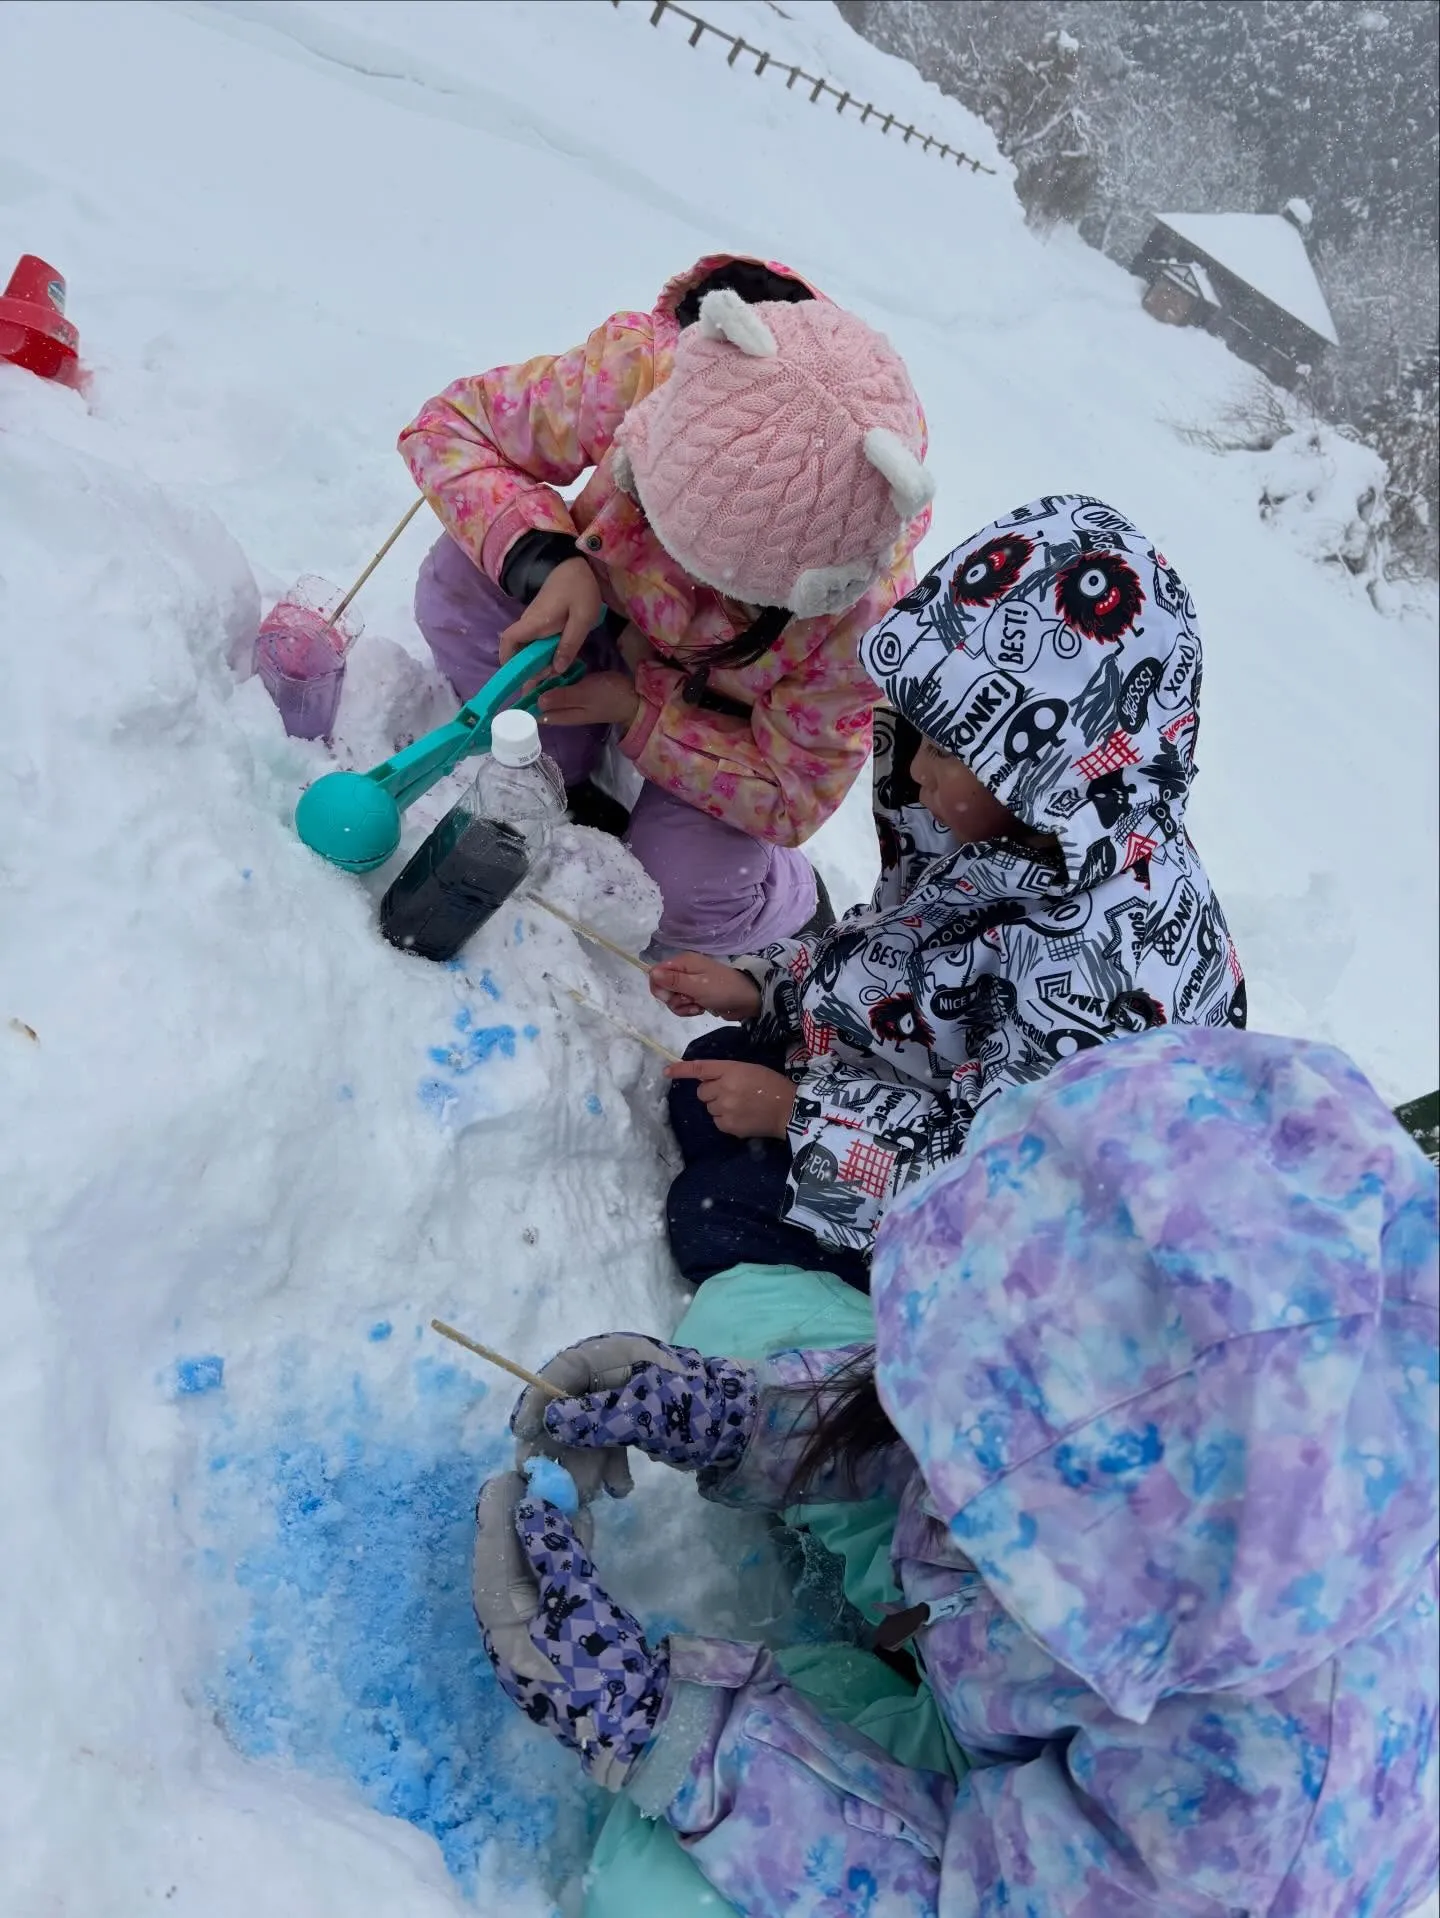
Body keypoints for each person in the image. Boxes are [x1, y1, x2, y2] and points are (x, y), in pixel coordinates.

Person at [472, 1026, 1440, 1918]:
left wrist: (659, 1730)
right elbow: (962, 1397)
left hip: (1040, 1838)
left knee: (657, 1891)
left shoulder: (1252, 1800)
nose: (942, 1447)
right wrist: (732, 1415)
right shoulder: (1176, 1361)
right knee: (755, 1316)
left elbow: (959, 1895)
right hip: (1007, 1652)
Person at [651, 493, 1247, 1290]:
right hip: (934, 1090)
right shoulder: (1000, 823)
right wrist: (767, 990)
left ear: (1043, 765)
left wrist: (798, 1118)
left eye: (946, 750)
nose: (916, 771)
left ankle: (875, 1334)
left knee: (710, 1211)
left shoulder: (1101, 975)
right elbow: (897, 949)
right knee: (706, 1078)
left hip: (1033, 1237)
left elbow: (1008, 1194)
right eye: (918, 735)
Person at [398, 254, 933, 957]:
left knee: (678, 901)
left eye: (726, 590)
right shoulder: (643, 371)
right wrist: (547, 560)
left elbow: (792, 789)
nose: (674, 575)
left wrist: (642, 712)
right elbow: (451, 430)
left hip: (719, 726)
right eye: (652, 517)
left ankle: (790, 903)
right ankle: (571, 768)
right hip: (597, 619)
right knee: (460, 580)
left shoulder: (864, 614)